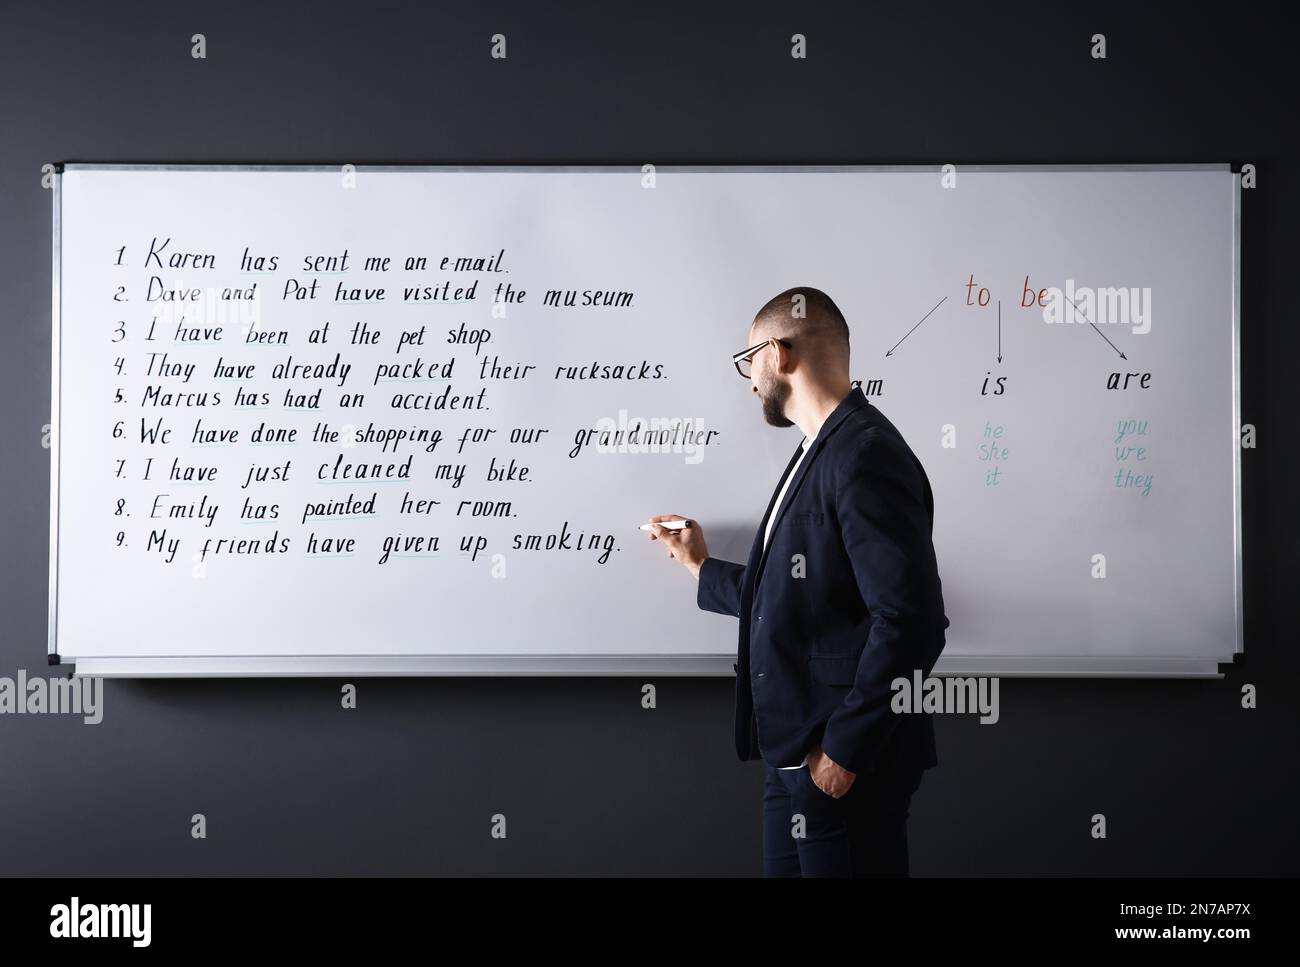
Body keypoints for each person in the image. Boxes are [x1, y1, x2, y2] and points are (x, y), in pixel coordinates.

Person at [647, 286, 949, 877]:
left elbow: (912, 622)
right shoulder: (820, 449)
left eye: (748, 362)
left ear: (780, 354)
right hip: (794, 760)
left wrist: (842, 753)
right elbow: (801, 593)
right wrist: (701, 567)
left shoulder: (864, 455)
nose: (749, 379)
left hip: (843, 767)